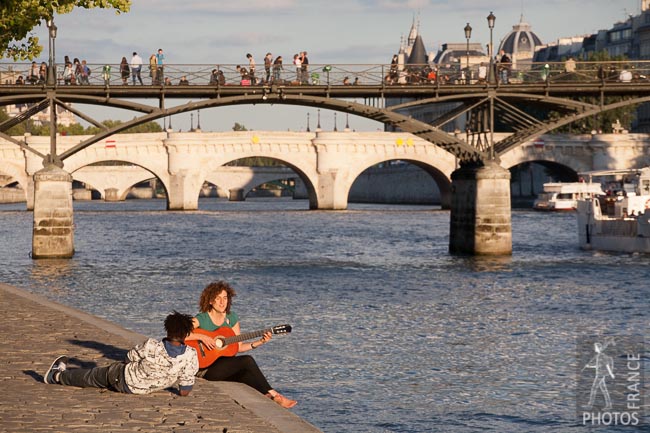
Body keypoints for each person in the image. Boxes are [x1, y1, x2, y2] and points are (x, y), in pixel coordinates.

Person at [187, 281, 297, 409]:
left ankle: (267, 396)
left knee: (245, 374)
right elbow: (178, 334)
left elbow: (238, 347)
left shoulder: (231, 318)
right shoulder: (202, 318)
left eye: (225, 298)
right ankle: (276, 395)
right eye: (218, 298)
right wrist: (202, 337)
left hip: (222, 365)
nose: (222, 302)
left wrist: (259, 342)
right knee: (247, 361)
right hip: (204, 369)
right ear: (210, 301)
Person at [44, 311, 199, 396]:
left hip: (124, 378)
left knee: (92, 376)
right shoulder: (190, 355)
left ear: (167, 329)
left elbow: (129, 357)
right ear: (186, 334)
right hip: (144, 390)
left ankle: (56, 376)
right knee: (97, 376)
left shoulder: (152, 345)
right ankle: (59, 376)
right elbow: (185, 390)